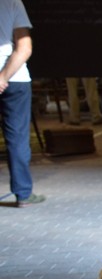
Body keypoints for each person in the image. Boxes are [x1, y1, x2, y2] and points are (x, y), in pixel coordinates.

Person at [0, 0, 43, 207]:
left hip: (10, 79)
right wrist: (2, 77)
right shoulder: (12, 2)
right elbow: (24, 47)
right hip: (15, 78)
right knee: (17, 137)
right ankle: (23, 194)